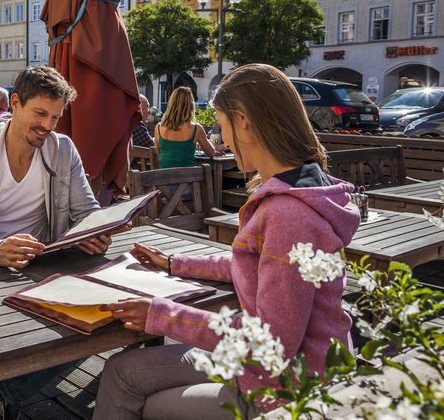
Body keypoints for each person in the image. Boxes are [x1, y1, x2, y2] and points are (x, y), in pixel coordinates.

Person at [93, 64, 362, 419]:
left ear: (244, 120)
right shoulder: (307, 187)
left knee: (133, 390)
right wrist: (175, 263)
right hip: (295, 369)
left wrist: (161, 314)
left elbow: (271, 345)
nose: (222, 139)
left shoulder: (288, 214)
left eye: (221, 124)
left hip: (285, 393)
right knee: (122, 370)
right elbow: (261, 264)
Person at [0, 66, 111, 419]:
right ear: (15, 103)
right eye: (40, 114)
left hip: (41, 270)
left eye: (56, 117)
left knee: (107, 313)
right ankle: (2, 389)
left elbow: (87, 209)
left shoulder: (61, 150)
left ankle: (2, 390)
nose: (48, 125)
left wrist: (96, 229)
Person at [154, 86, 217, 168]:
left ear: (171, 104)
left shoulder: (158, 128)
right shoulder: (196, 129)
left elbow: (158, 154)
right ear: (191, 105)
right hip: (188, 179)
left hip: (163, 178)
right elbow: (211, 153)